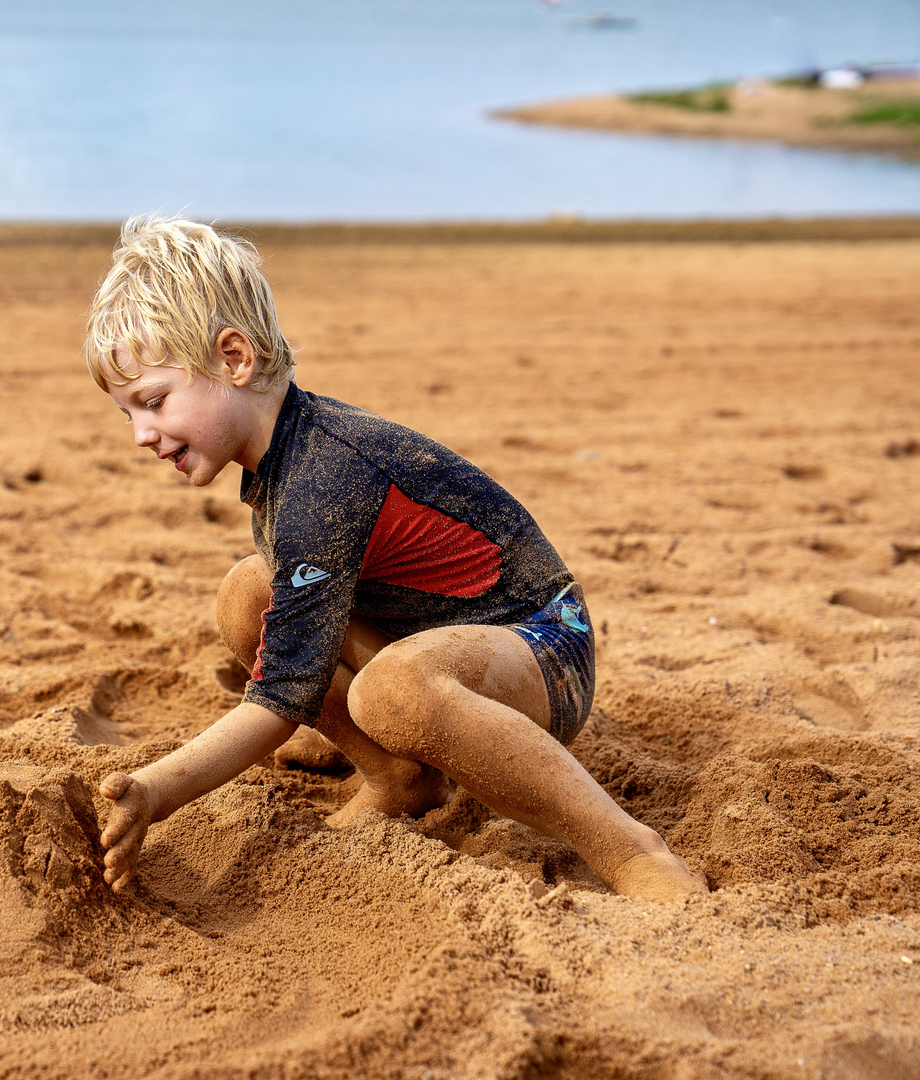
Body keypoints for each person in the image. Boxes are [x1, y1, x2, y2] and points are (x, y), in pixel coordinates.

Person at [83, 216, 704, 901]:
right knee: (249, 594)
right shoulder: (286, 460)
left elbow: (279, 699)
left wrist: (157, 789)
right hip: (437, 636)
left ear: (234, 360)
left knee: (390, 691)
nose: (141, 434)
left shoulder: (324, 481)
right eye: (127, 415)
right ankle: (398, 777)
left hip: (546, 650)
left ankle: (629, 848)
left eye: (154, 401)